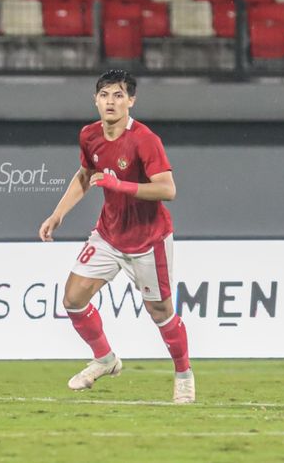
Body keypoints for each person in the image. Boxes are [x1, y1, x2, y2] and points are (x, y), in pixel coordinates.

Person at [38, 69, 194, 404]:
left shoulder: (144, 140)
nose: (111, 101)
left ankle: (183, 374)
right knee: (73, 299)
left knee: (160, 312)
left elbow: (168, 189)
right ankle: (105, 359)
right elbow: (85, 176)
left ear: (131, 101)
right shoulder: (89, 135)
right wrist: (58, 213)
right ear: (95, 100)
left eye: (119, 95)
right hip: (108, 235)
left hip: (149, 240)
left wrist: (118, 185)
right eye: (105, 95)